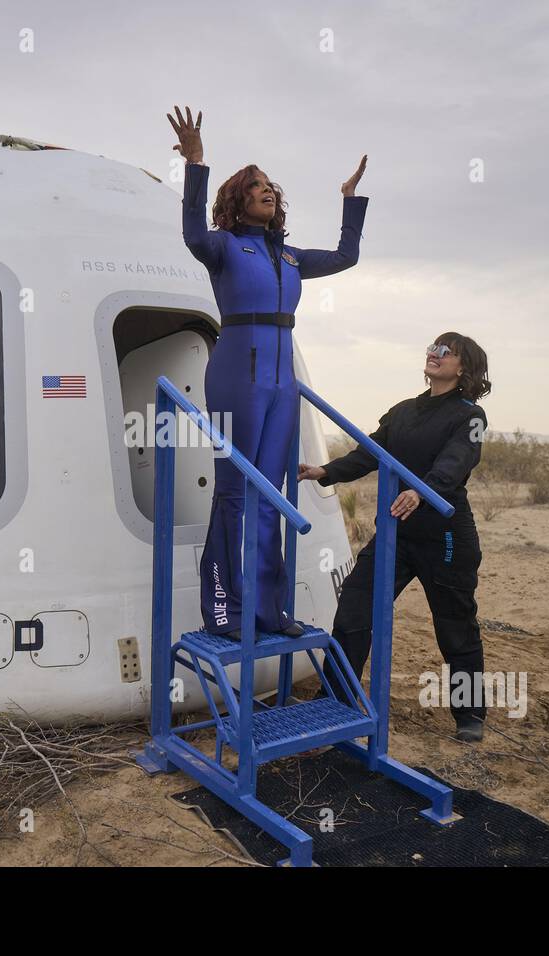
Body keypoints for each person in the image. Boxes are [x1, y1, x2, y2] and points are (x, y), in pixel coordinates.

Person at [168, 104, 369, 640]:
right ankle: (226, 610)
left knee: (275, 495)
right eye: (256, 186)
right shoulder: (223, 246)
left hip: (284, 383)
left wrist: (350, 201)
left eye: (270, 186)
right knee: (236, 491)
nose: (267, 191)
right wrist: (196, 164)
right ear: (238, 199)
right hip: (238, 371)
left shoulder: (293, 257)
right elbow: (190, 231)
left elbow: (347, 255)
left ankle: (268, 611)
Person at [298, 332, 491, 742]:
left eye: (447, 351)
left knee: (455, 626)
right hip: (396, 531)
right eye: (433, 347)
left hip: (446, 537)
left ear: (464, 368)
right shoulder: (404, 412)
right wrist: (325, 471)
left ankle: (470, 715)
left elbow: (455, 463)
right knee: (354, 605)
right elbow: (370, 453)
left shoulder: (469, 416)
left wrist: (422, 489)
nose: (435, 354)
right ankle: (337, 698)